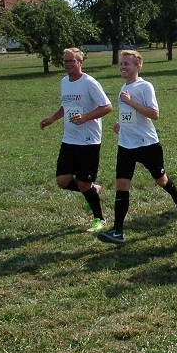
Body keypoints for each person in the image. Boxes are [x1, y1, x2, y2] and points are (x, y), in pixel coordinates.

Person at [97, 50, 177, 245]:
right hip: (126, 145)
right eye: (121, 63)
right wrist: (122, 123)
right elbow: (130, 114)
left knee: (161, 180)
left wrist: (131, 102)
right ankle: (118, 231)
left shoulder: (145, 86)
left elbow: (154, 114)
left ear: (138, 66)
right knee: (122, 186)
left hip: (147, 144)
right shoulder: (124, 87)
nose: (123, 67)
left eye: (127, 64)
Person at [40, 47, 113, 233]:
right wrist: (51, 119)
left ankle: (99, 218)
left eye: (72, 61)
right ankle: (93, 189)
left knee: (83, 184)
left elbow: (107, 107)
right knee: (62, 181)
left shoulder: (89, 83)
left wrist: (86, 117)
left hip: (88, 141)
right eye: (65, 61)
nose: (68, 64)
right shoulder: (64, 82)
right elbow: (65, 106)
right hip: (69, 139)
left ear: (80, 62)